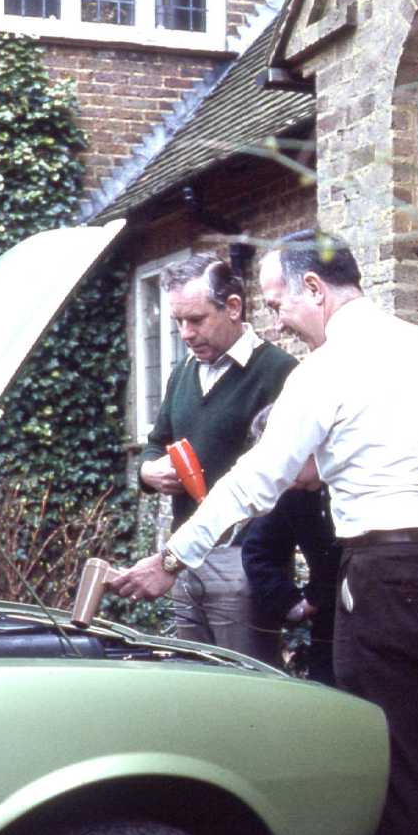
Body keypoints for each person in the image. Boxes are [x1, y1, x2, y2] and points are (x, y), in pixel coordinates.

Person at [111, 229, 418, 835]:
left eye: (278, 302)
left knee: (383, 763)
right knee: (416, 753)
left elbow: (254, 480)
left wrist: (171, 559)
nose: (277, 319)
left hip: (383, 575)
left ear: (315, 290)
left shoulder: (324, 370)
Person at [138, 252, 297, 659]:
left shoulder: (280, 372)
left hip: (244, 561)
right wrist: (149, 471)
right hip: (183, 557)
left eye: (196, 319)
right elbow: (158, 441)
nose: (185, 334)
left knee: (246, 681)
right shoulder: (182, 374)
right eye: (178, 321)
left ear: (233, 307)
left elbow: (288, 475)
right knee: (196, 679)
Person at [241, 407, 339, 684]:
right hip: (330, 627)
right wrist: (293, 603)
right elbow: (259, 550)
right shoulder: (292, 493)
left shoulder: (353, 480)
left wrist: (319, 593)